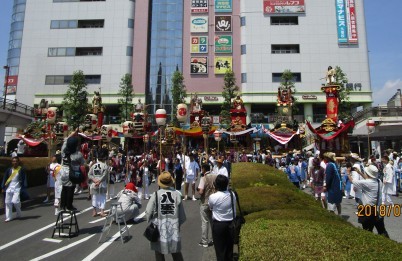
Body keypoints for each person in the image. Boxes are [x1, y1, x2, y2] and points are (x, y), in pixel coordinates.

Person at [145, 171, 186, 261]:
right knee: (176, 251)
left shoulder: (156, 194)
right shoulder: (177, 195)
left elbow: (148, 211)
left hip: (159, 227)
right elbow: (182, 216)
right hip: (173, 227)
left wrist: (149, 219)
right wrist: (177, 225)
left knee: (159, 252)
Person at [347, 165, 389, 237]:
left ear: (367, 174)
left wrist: (348, 172)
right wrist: (360, 173)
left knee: (367, 231)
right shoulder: (379, 181)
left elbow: (352, 181)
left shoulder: (366, 183)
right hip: (378, 209)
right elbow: (368, 179)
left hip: (368, 211)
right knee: (382, 230)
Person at [208, 175, 235, 261]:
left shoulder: (213, 197)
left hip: (219, 225)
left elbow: (210, 207)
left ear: (216, 185)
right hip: (231, 224)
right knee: (229, 250)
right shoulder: (232, 194)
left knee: (220, 250)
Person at [60, 130, 85, 211]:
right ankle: (69, 206)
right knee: (71, 189)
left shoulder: (63, 150)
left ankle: (62, 205)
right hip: (72, 172)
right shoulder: (78, 154)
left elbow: (66, 140)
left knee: (64, 188)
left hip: (63, 171)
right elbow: (83, 163)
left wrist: (72, 133)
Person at [197, 164, 216, 248]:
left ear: (203, 169)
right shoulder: (215, 176)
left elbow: (201, 191)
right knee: (213, 221)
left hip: (205, 201)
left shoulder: (203, 178)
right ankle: (214, 239)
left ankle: (204, 241)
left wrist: (199, 191)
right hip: (214, 202)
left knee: (205, 222)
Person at [1, 157, 26, 222]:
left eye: (16, 161)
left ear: (18, 162)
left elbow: (24, 179)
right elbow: (5, 178)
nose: (15, 162)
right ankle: (9, 217)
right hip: (9, 187)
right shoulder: (9, 170)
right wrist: (3, 187)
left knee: (15, 201)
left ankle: (19, 213)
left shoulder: (21, 169)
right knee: (7, 202)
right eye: (13, 161)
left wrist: (24, 187)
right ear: (12, 162)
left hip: (17, 187)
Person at [88, 150, 109, 217]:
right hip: (102, 183)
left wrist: (94, 180)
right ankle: (102, 211)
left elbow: (89, 174)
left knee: (94, 197)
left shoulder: (93, 166)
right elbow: (105, 175)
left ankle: (94, 211)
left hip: (94, 183)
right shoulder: (105, 166)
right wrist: (99, 181)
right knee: (102, 197)